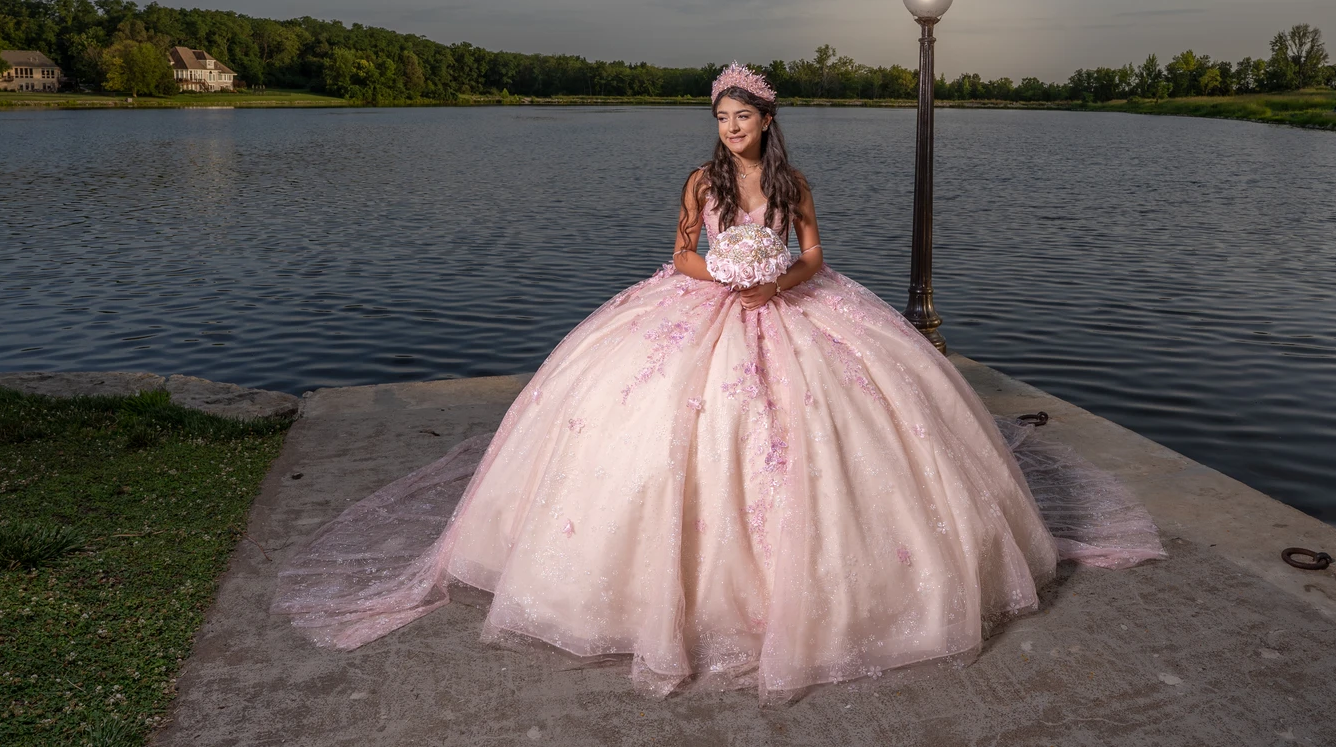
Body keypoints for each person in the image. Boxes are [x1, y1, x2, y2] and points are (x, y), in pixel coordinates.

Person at [276, 62, 1160, 703]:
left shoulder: (790, 182)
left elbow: (816, 252)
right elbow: (678, 258)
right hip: (704, 310)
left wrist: (776, 280)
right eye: (722, 115)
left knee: (846, 425)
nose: (731, 127)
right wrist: (725, 280)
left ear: (766, 122)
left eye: (743, 116)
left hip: (793, 305)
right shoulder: (700, 180)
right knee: (652, 422)